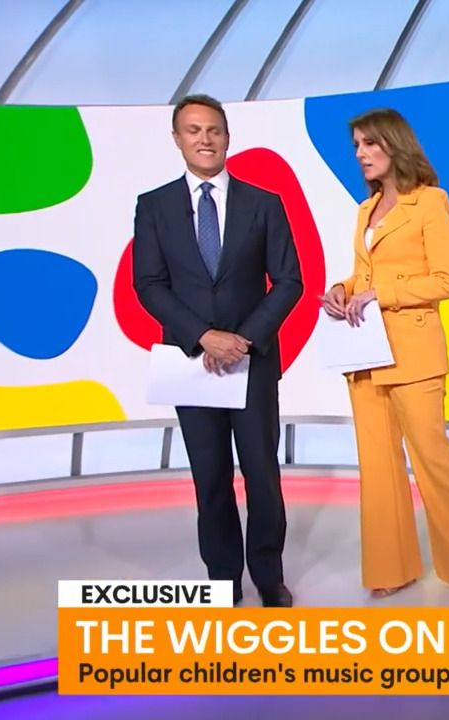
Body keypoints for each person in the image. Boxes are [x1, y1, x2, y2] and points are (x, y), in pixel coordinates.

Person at [320, 108, 449, 603]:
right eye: (356, 146)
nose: (360, 154)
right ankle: (391, 567)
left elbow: (445, 281)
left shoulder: (430, 202)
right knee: (377, 466)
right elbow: (364, 274)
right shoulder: (366, 209)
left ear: (394, 143)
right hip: (364, 352)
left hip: (413, 353)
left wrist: (380, 294)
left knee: (433, 459)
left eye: (369, 144)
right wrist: (342, 289)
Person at [133, 94, 303, 608]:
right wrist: (203, 336)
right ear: (177, 139)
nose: (204, 139)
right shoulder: (154, 206)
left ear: (227, 137)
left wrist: (242, 341)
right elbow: (149, 284)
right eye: (193, 130)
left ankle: (269, 576)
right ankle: (223, 578)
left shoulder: (264, 202)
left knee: (262, 475)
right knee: (210, 477)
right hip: (191, 364)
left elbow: (289, 280)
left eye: (213, 130)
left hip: (253, 364)